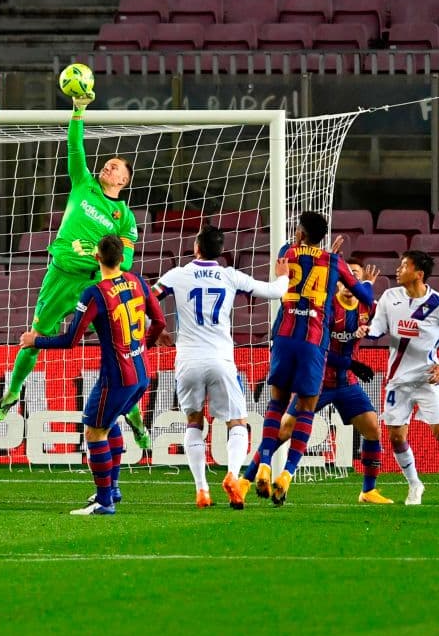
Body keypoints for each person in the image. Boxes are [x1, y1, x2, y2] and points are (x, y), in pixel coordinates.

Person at [0, 92, 154, 450]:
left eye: (116, 167)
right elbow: (74, 148)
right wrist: (78, 112)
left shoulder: (125, 218)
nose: (108, 167)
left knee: (118, 352)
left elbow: (126, 263)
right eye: (108, 163)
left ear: (124, 181)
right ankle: (12, 392)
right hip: (59, 276)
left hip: (94, 286)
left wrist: (93, 256)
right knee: (34, 335)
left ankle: (135, 417)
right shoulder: (84, 184)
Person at [19, 235, 171, 515]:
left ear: (96, 257)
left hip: (116, 377)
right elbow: (160, 322)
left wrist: (35, 340)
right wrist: (141, 347)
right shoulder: (138, 282)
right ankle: (112, 489)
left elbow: (70, 340)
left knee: (94, 431)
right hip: (141, 371)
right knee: (108, 423)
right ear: (121, 258)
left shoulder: (95, 293)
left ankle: (104, 501)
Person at [152, 224, 289, 510]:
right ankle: (232, 475)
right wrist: (284, 275)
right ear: (221, 251)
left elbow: (145, 301)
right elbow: (275, 291)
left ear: (196, 248)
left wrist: (156, 329)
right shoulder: (230, 275)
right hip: (221, 360)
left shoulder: (177, 275)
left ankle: (202, 490)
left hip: (187, 360)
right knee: (236, 422)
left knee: (193, 421)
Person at [240, 257, 393, 504]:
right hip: (317, 379)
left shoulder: (368, 307)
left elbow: (383, 325)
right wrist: (350, 362)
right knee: (283, 430)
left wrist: (372, 332)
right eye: (346, 277)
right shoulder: (327, 307)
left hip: (346, 383)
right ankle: (246, 481)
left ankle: (368, 491)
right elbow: (320, 349)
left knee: (373, 428)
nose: (349, 282)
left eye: (354, 276)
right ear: (339, 281)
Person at [252, 211, 374, 506]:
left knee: (276, 404)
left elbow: (297, 260)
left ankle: (265, 463)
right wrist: (366, 284)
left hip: (283, 337)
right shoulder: (334, 261)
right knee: (306, 410)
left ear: (300, 233)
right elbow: (365, 297)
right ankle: (287, 474)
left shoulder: (287, 251)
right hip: (313, 342)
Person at [358, 250, 439, 505]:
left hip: (428, 380)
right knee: (396, 437)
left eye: (404, 265)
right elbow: (378, 328)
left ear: (419, 273)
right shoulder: (390, 297)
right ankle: (415, 485)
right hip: (398, 381)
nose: (398, 269)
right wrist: (367, 330)